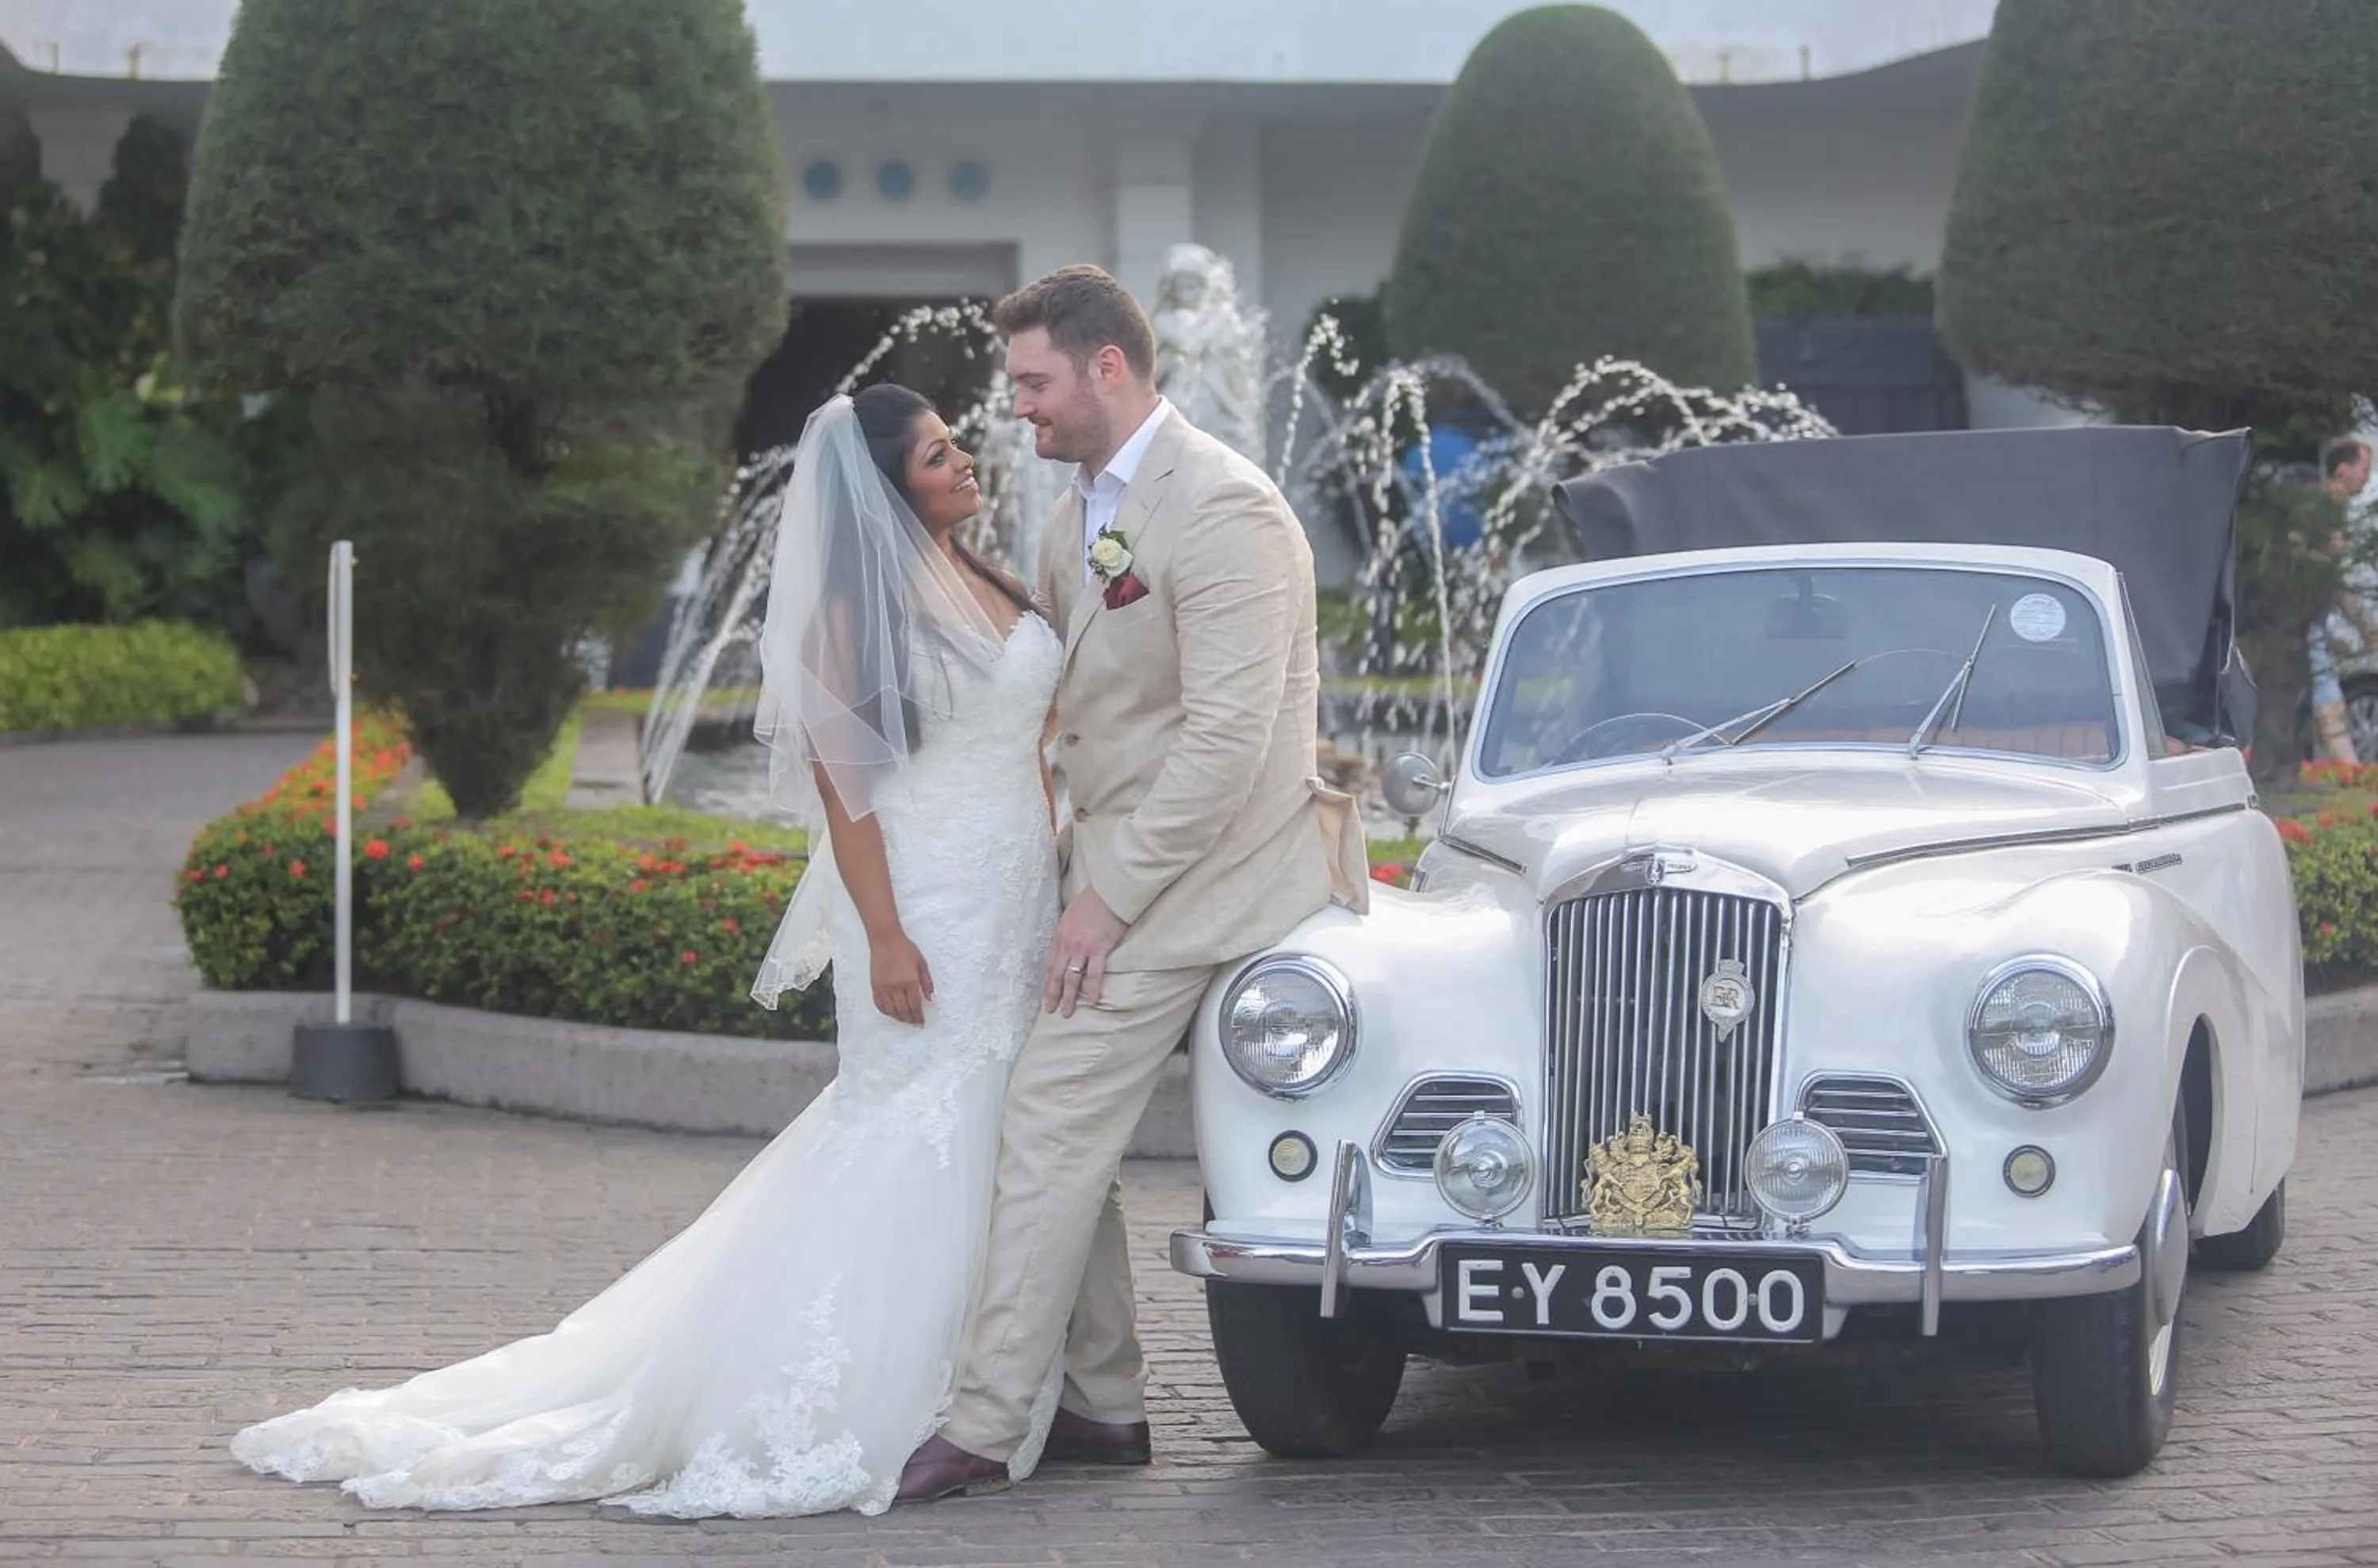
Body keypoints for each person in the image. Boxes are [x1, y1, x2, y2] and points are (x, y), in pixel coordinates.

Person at [229, 384, 1070, 1517]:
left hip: (1016, 890)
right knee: (921, 1124)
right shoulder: (848, 621)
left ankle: (996, 1377)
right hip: (926, 906)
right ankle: (896, 1391)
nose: (966, 461)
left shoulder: (989, 575)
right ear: (886, 487)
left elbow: (1029, 737)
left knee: (999, 1124)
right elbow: (847, 797)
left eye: (956, 444)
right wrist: (882, 935)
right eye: (937, 454)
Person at [897, 265, 1371, 1502]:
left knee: (1047, 1123)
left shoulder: (1223, 509)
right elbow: (1065, 678)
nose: (1023, 410)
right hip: (1124, 866)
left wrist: (1104, 901)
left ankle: (991, 1421)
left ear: (1110, 368)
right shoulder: (1089, 511)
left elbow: (1224, 745)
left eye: (1038, 382)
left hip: (1214, 878)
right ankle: (1105, 1406)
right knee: (1061, 1135)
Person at [2307, 434, 2374, 763]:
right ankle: (2350, 771)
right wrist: (2362, 625)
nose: (2369, 476)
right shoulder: (2324, 509)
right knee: (2324, 688)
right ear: (2343, 470)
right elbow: (2326, 578)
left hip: (2311, 616)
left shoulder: (2329, 509)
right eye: (2365, 467)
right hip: (2298, 617)